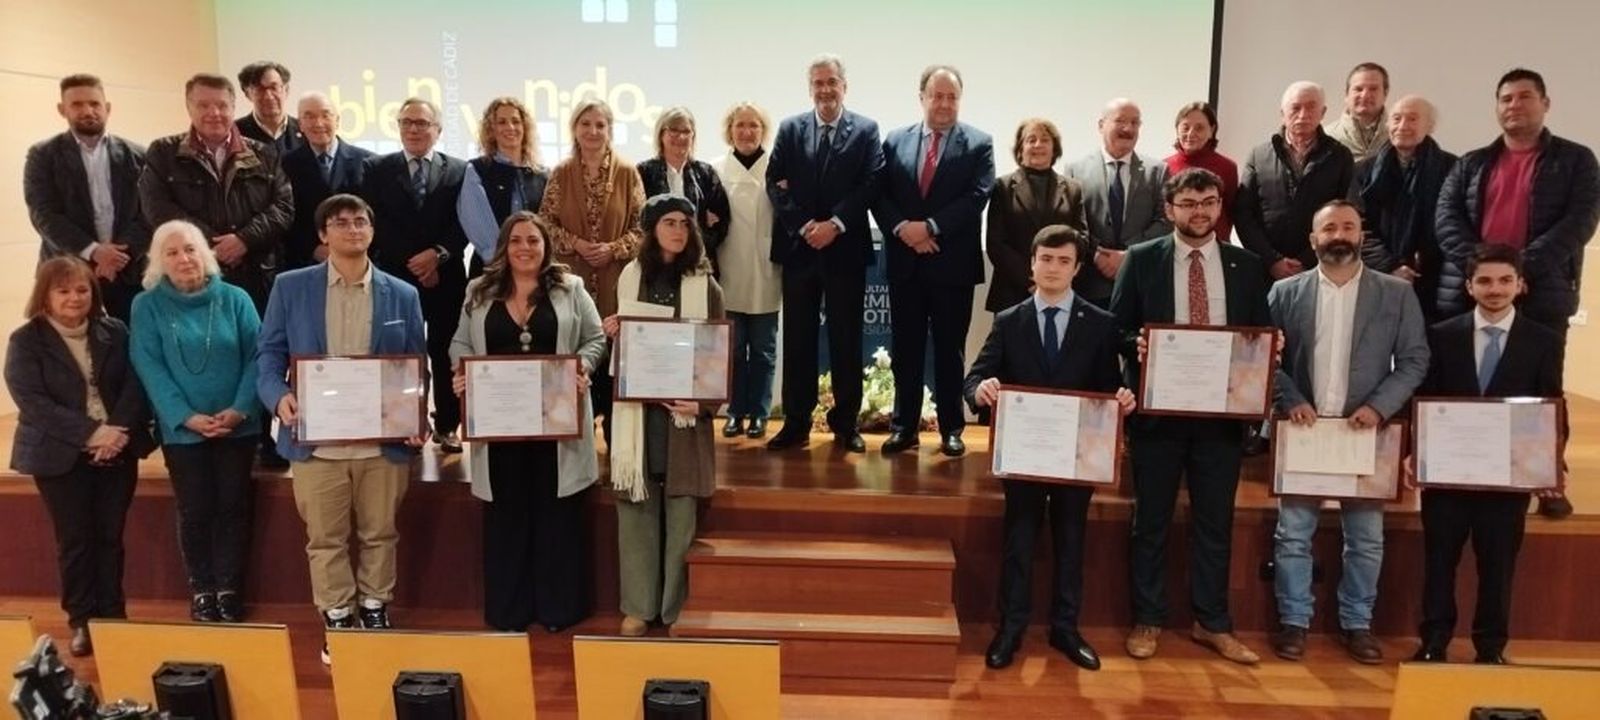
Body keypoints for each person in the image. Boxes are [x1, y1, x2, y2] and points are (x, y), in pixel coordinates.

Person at [256, 193, 428, 666]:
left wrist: (418, 417)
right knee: (326, 538)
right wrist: (278, 397)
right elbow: (268, 355)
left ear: (372, 231)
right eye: (340, 222)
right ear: (322, 234)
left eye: (360, 221)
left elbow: (416, 367)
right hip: (318, 444)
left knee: (380, 532)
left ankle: (375, 607)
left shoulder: (403, 293)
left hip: (382, 443)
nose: (352, 229)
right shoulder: (291, 288)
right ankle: (337, 616)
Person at [1110, 168, 1272, 665]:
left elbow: (1259, 333)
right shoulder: (1141, 260)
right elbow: (1115, 329)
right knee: (1151, 521)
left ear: (1220, 207)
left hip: (1221, 419)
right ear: (1169, 209)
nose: (1199, 211)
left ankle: (1213, 623)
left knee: (1214, 523)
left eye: (1208, 202)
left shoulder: (1247, 265)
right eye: (1188, 203)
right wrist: (1134, 344)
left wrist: (1271, 346)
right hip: (1159, 416)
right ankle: (1149, 618)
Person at [966, 225, 1136, 671]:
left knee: (1072, 540)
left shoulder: (1100, 324)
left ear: (1077, 269)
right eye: (1046, 259)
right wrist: (979, 389)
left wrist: (1122, 398)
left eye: (1064, 261)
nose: (1054, 268)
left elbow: (1109, 387)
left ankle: (1066, 627)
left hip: (1075, 459)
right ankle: (1011, 626)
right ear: (1033, 263)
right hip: (1023, 456)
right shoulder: (1009, 320)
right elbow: (974, 377)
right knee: (1018, 540)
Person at [1266, 200, 1429, 664]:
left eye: (1349, 227)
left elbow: (1416, 358)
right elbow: (1265, 358)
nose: (1339, 234)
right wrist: (1290, 397)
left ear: (1362, 235)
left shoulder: (1395, 294)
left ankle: (1357, 623)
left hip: (1366, 431)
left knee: (1366, 537)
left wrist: (1380, 408)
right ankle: (1294, 621)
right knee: (1293, 534)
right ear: (1313, 239)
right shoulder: (1285, 293)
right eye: (1329, 228)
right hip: (1306, 428)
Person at [1436, 68, 1598, 519]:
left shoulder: (1577, 160)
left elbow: (1581, 220)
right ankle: (1460, 467)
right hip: (1470, 293)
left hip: (1542, 290)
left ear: (1546, 104)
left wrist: (1518, 270)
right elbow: (1446, 218)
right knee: (1465, 388)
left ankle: (1546, 477)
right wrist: (1483, 272)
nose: (1514, 105)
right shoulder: (1471, 163)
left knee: (1542, 393)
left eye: (1525, 97)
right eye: (1506, 98)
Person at [450, 211, 605, 632]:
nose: (525, 248)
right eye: (516, 240)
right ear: (505, 246)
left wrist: (585, 367)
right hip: (501, 429)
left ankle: (559, 609)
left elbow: (595, 338)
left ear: (545, 245)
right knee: (506, 518)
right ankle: (509, 611)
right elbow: (460, 343)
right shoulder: (478, 291)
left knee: (558, 517)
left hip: (557, 427)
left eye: (533, 240)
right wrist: (460, 373)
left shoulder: (571, 288)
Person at [1411, 244, 1564, 664]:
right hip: (1447, 475)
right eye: (1484, 280)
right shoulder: (1442, 335)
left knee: (1497, 569)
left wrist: (1550, 464)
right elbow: (1425, 398)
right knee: (1439, 563)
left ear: (1520, 284)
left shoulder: (1543, 341)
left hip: (1507, 478)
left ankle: (1491, 649)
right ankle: (1434, 642)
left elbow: (1550, 403)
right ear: (1468, 286)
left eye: (1504, 280)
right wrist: (1415, 451)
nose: (1494, 289)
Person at [139, 72, 293, 471]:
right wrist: (208, 248)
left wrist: (243, 239)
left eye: (222, 105)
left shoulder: (264, 152)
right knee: (202, 357)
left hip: (255, 271)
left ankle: (262, 436)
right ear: (189, 107)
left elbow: (283, 207)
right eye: (203, 104)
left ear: (234, 106)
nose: (214, 112)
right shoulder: (163, 153)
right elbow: (158, 209)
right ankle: (194, 428)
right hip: (194, 273)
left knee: (258, 355)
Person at [4, 257, 154, 656]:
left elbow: (136, 385)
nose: (74, 298)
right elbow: (33, 403)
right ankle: (83, 621)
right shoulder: (26, 341)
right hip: (58, 456)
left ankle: (113, 617)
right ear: (46, 296)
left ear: (94, 293)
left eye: (82, 289)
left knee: (110, 538)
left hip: (118, 450)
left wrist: (117, 431)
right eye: (64, 290)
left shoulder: (115, 331)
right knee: (76, 541)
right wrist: (92, 433)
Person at [127, 220, 262, 625]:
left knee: (233, 508)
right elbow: (148, 366)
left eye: (190, 249)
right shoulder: (145, 305)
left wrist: (240, 409)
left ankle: (229, 588)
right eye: (172, 252)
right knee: (196, 508)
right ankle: (202, 588)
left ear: (205, 253)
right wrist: (185, 417)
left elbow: (260, 357)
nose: (183, 258)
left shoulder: (236, 298)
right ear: (158, 262)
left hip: (238, 425)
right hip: (182, 430)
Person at [602, 194, 724, 636]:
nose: (678, 230)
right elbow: (624, 348)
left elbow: (717, 359)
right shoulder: (629, 278)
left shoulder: (705, 286)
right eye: (669, 222)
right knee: (637, 509)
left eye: (685, 223)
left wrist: (704, 403)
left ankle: (674, 610)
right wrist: (615, 330)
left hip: (682, 419)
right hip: (639, 416)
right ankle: (638, 607)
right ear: (651, 229)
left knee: (680, 514)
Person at [764, 53, 884, 454]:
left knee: (846, 339)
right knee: (798, 341)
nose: (825, 90)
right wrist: (804, 225)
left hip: (844, 249)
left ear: (844, 86)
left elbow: (871, 183)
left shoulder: (866, 130)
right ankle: (796, 423)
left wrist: (835, 224)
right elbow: (775, 184)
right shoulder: (790, 128)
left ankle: (845, 424)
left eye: (832, 82)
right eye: (818, 83)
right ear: (810, 88)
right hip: (800, 251)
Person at [874, 65, 995, 457]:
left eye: (952, 97)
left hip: (951, 266)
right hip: (906, 264)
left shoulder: (978, 143)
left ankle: (951, 429)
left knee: (949, 351)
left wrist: (929, 227)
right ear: (921, 96)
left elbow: (977, 196)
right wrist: (902, 229)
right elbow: (879, 193)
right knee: (905, 349)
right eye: (937, 95)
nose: (944, 104)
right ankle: (904, 427)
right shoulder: (894, 140)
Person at [359, 97, 470, 453]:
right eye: (407, 122)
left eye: (422, 123)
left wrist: (436, 256)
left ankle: (448, 425)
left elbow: (464, 222)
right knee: (401, 354)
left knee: (445, 350)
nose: (414, 129)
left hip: (446, 276)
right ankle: (403, 424)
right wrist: (414, 261)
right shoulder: (375, 168)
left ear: (437, 130)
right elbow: (374, 220)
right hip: (394, 276)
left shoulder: (460, 170)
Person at [539, 98, 646, 448]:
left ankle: (619, 449)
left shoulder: (629, 173)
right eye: (586, 124)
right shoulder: (561, 173)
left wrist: (613, 249)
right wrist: (575, 243)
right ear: (575, 128)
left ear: (610, 130)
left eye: (600, 125)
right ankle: (577, 445)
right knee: (579, 358)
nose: (593, 131)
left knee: (613, 366)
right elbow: (543, 224)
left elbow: (642, 229)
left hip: (617, 284)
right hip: (573, 282)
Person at [24, 73, 150, 323]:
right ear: (62, 110)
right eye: (77, 104)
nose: (88, 111)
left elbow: (148, 213)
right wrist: (94, 252)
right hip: (65, 274)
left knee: (128, 349)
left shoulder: (138, 155)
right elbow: (44, 215)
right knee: (65, 354)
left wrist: (115, 257)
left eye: (94, 103)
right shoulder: (43, 156)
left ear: (107, 108)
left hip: (127, 273)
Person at [710, 102, 782, 439]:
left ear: (762, 130)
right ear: (730, 130)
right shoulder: (716, 169)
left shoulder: (778, 167)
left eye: (754, 125)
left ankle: (760, 414)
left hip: (767, 269)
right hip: (730, 269)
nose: (747, 131)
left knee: (764, 350)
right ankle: (736, 411)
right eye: (740, 125)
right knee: (734, 349)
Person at [1353, 96, 1458, 322]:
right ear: (1387, 124)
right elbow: (1357, 225)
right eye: (1396, 118)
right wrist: (1390, 266)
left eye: (1412, 119)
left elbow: (1453, 222)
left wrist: (1419, 263)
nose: (1403, 126)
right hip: (1377, 275)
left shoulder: (1452, 168)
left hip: (1434, 277)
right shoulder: (1364, 171)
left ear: (1429, 126)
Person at [1236, 81, 1356, 280]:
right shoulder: (1259, 155)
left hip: (1320, 268)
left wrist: (1307, 261)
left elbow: (1346, 212)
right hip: (1265, 268)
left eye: (1311, 107)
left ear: (1323, 112)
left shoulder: (1340, 156)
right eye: (1295, 108)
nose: (1302, 115)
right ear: (1282, 113)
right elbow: (1244, 214)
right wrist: (1272, 260)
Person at [1066, 99, 1171, 308]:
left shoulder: (1158, 171)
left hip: (1139, 283)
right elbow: (1071, 221)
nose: (1128, 128)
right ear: (1101, 125)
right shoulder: (1074, 170)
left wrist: (1129, 255)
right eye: (1120, 121)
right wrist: (1096, 254)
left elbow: (1165, 220)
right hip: (1089, 283)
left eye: (1135, 123)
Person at [985, 119, 1085, 313]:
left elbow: (1081, 237)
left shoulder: (1074, 189)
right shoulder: (1002, 187)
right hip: (1013, 291)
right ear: (1020, 149)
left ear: (1054, 148)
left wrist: (1054, 278)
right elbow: (996, 243)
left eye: (1045, 140)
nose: (1038, 145)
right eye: (1031, 140)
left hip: (1061, 290)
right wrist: (1034, 279)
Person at [281, 92, 373, 271]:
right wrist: (313, 249)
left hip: (358, 260)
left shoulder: (368, 162)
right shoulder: (284, 164)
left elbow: (373, 214)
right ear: (300, 124)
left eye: (325, 115)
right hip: (305, 263)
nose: (318, 123)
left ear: (337, 120)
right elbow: (284, 215)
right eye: (309, 116)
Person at [459, 97, 549, 277]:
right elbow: (477, 223)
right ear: (491, 130)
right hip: (491, 273)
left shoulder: (543, 175)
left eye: (516, 121)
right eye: (502, 122)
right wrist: (504, 265)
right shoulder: (476, 170)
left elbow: (547, 226)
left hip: (535, 273)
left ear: (525, 127)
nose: (510, 127)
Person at [638, 107, 730, 271]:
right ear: (661, 135)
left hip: (697, 263)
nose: (680, 137)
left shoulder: (705, 173)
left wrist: (692, 246)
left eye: (686, 131)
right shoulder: (644, 172)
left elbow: (721, 220)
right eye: (673, 130)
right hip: (655, 263)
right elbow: (638, 219)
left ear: (693, 136)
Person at [1164, 101, 1237, 244]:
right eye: (1185, 127)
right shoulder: (1164, 167)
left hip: (1215, 249)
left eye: (1199, 128)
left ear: (1212, 130)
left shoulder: (1227, 167)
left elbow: (1231, 213)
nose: (1191, 133)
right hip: (1174, 249)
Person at [234, 61, 303, 158]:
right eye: (259, 89)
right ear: (247, 94)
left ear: (286, 90)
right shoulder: (234, 133)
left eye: (274, 87)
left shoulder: (305, 130)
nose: (268, 96)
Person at [1327, 63, 1390, 162]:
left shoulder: (1400, 136)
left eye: (1373, 89)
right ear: (1346, 95)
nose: (1365, 95)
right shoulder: (1327, 137)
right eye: (1358, 89)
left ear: (1385, 94)